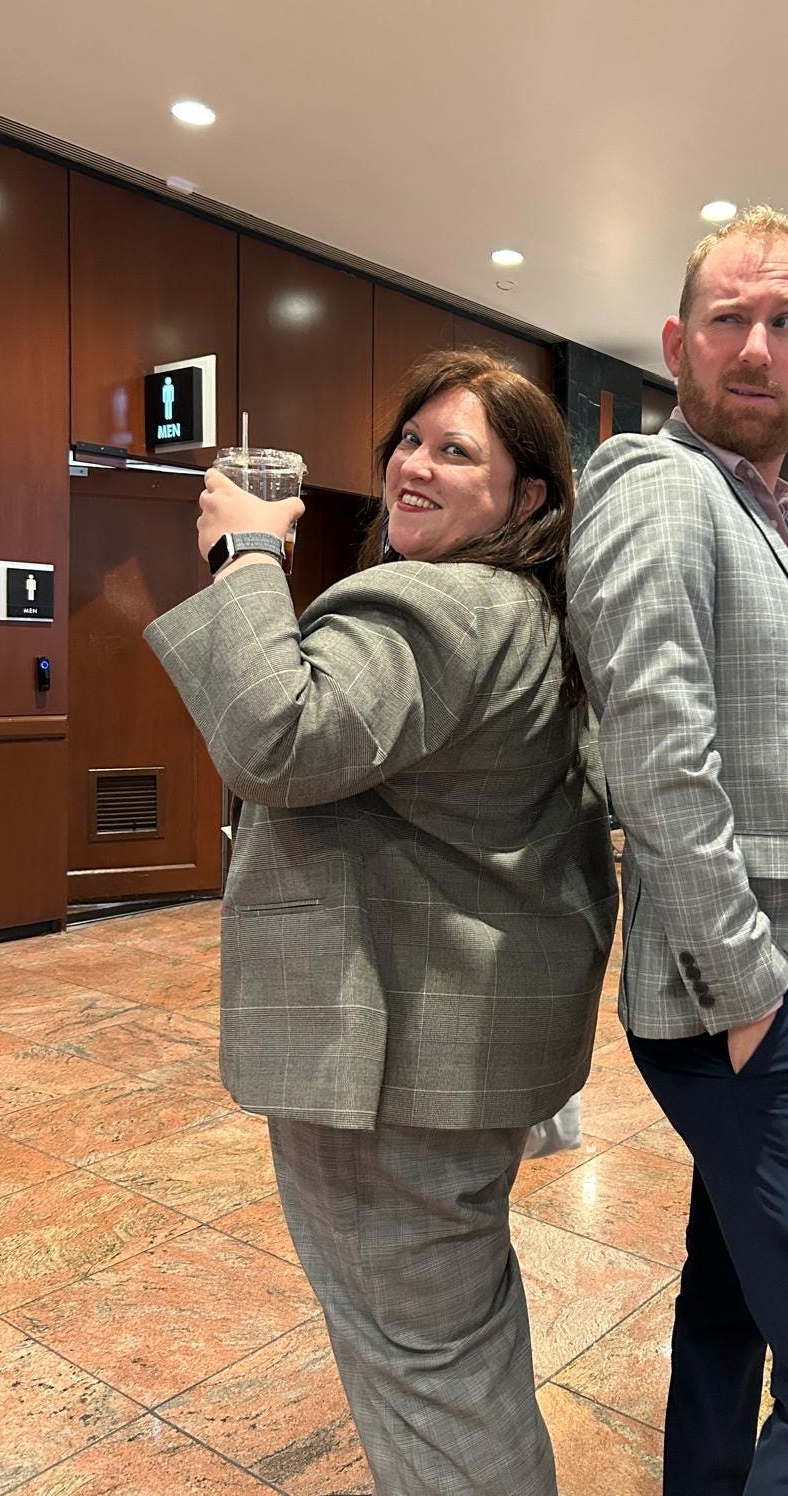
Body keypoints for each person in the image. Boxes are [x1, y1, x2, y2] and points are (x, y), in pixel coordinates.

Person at [144, 348, 618, 1496]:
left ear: (529, 500)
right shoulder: (527, 617)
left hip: (388, 1067)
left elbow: (275, 737)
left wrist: (248, 553)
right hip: (458, 1054)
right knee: (457, 1342)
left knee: (426, 1370)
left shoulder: (434, 603)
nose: (414, 463)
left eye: (456, 452)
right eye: (409, 439)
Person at [568, 207, 788, 1496]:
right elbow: (658, 758)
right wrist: (752, 1002)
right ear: (676, 341)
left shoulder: (759, 506)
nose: (756, 347)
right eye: (729, 319)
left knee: (732, 1305)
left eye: (784, 323)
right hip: (749, 998)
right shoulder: (660, 488)